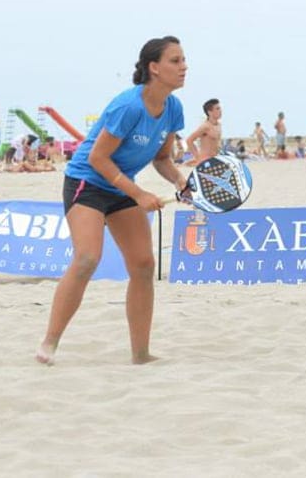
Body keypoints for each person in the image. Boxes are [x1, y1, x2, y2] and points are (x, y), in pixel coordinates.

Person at [36, 35, 187, 366]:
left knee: (144, 266)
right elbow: (98, 159)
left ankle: (140, 354)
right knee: (88, 258)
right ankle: (49, 343)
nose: (184, 67)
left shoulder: (173, 108)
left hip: (121, 187)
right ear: (154, 68)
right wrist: (139, 194)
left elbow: (162, 159)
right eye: (175, 61)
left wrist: (180, 181)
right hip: (87, 183)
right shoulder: (128, 106)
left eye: (183, 60)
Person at [186, 98, 222, 164]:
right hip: (206, 161)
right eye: (217, 109)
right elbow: (189, 140)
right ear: (209, 112)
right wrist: (198, 158)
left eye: (220, 108)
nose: (220, 111)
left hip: (216, 159)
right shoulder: (205, 126)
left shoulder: (219, 125)